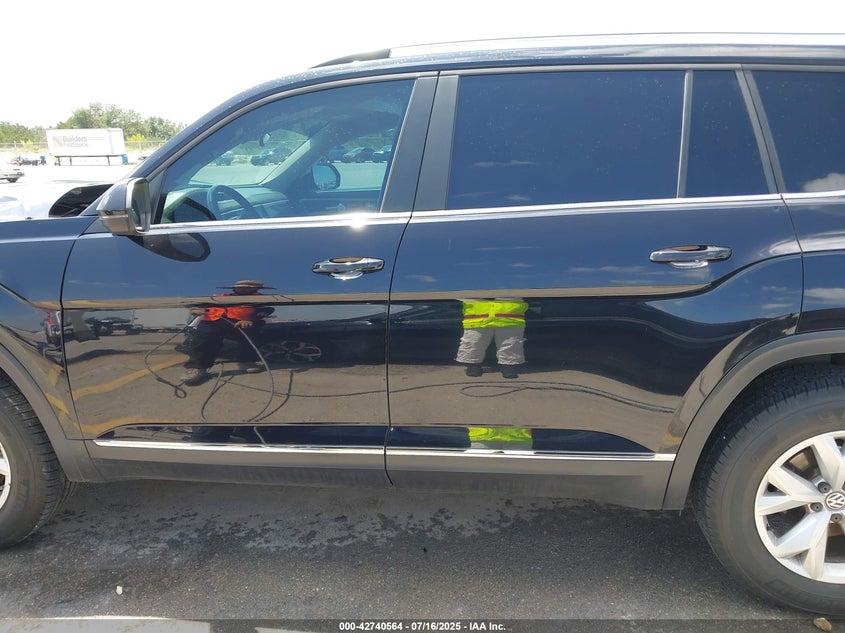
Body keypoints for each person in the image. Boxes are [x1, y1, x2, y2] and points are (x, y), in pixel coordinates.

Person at [180, 280, 274, 384]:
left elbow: (267, 310)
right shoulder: (221, 296)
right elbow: (199, 305)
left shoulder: (261, 299)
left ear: (256, 289)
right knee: (203, 337)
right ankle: (197, 368)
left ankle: (246, 361)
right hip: (214, 320)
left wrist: (250, 319)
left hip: (241, 322)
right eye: (240, 287)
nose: (243, 289)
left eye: (247, 287)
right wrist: (196, 309)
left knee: (250, 333)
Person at [455, 298, 528, 378]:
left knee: (511, 343)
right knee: (474, 342)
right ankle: (473, 365)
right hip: (477, 318)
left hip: (510, 317)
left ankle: (509, 366)